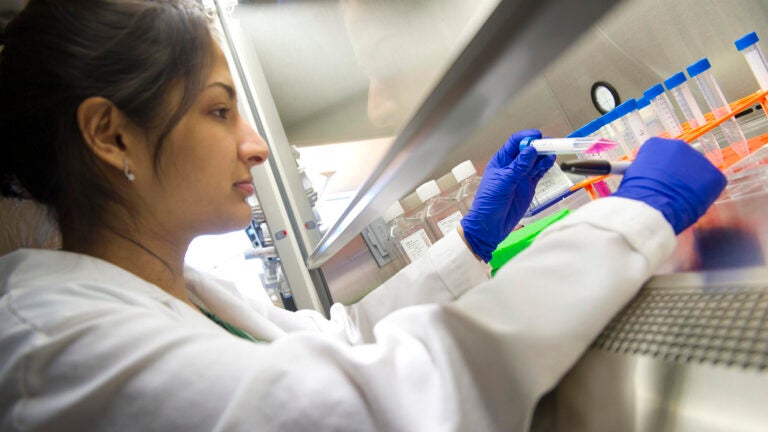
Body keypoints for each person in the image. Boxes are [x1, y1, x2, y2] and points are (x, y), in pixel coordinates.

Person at [0, 1, 726, 431]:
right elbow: (373, 409)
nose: (253, 147)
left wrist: (468, 244)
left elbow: (338, 343)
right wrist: (628, 220)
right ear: (111, 134)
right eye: (219, 112)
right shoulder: (57, 347)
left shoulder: (162, 294)